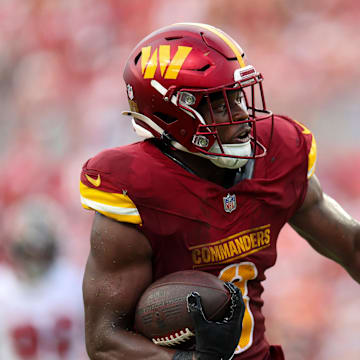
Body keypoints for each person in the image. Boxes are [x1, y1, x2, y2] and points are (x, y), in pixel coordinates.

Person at [79, 23, 360, 360]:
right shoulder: (136, 187)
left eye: (239, 95)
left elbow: (352, 247)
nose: (242, 113)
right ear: (174, 112)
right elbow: (104, 340)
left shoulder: (277, 152)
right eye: (221, 104)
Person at [0, 196, 86, 360]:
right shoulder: (75, 282)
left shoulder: (75, 282)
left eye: (41, 252)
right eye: (28, 252)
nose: (35, 261)